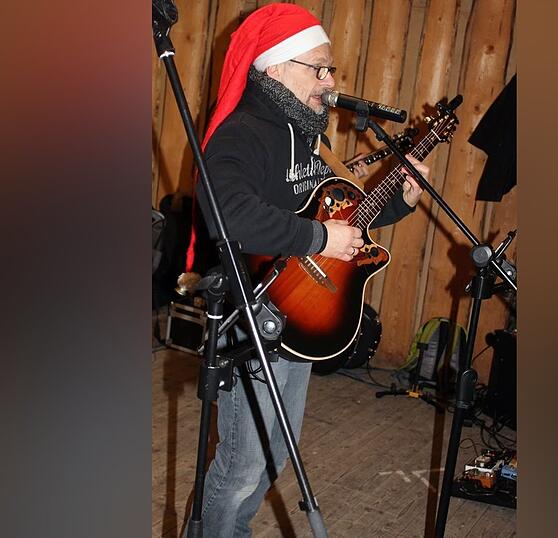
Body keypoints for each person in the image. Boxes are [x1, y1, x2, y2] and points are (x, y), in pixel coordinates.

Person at [189, 4, 428, 536]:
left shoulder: (306, 135)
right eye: (317, 68)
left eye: (331, 69)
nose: (329, 80)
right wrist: (319, 238)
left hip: (300, 320)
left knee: (275, 455)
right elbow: (228, 211)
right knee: (242, 463)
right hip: (255, 314)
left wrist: (400, 200)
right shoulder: (243, 133)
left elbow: (337, 213)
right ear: (275, 69)